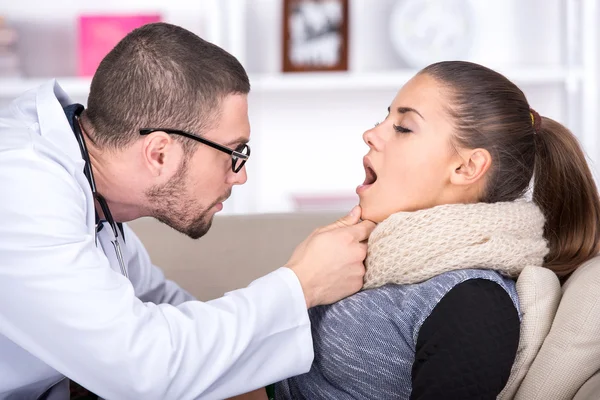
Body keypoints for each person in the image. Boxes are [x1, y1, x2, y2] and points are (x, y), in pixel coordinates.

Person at [0, 23, 376, 399]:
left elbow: (165, 308)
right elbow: (143, 369)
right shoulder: (22, 189)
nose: (240, 176)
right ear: (159, 153)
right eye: (233, 153)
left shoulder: (93, 195)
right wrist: (301, 284)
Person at [268, 61, 600, 399]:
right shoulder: (364, 261)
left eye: (403, 128)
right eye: (383, 120)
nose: (370, 134)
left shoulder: (474, 302)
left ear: (466, 167)